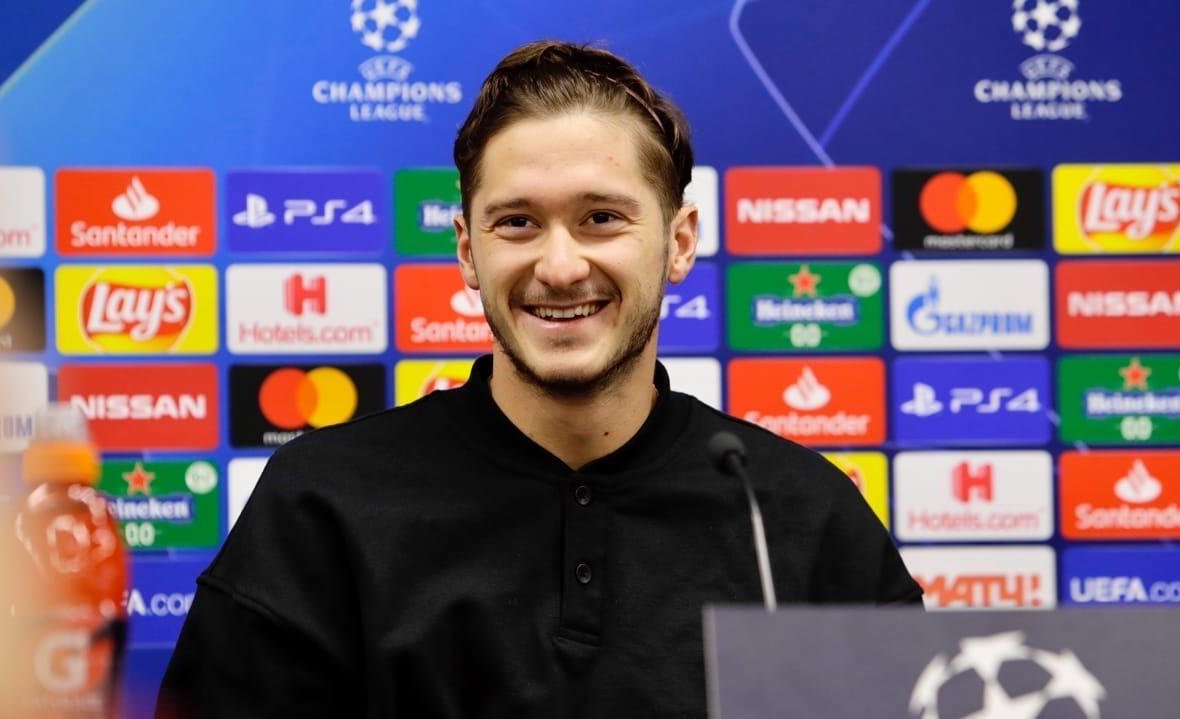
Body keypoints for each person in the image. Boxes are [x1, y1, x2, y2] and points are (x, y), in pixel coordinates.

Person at [157, 40, 921, 718]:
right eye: (517, 222)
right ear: (467, 250)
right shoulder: (321, 505)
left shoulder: (802, 516)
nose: (559, 267)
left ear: (680, 242)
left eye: (601, 218)